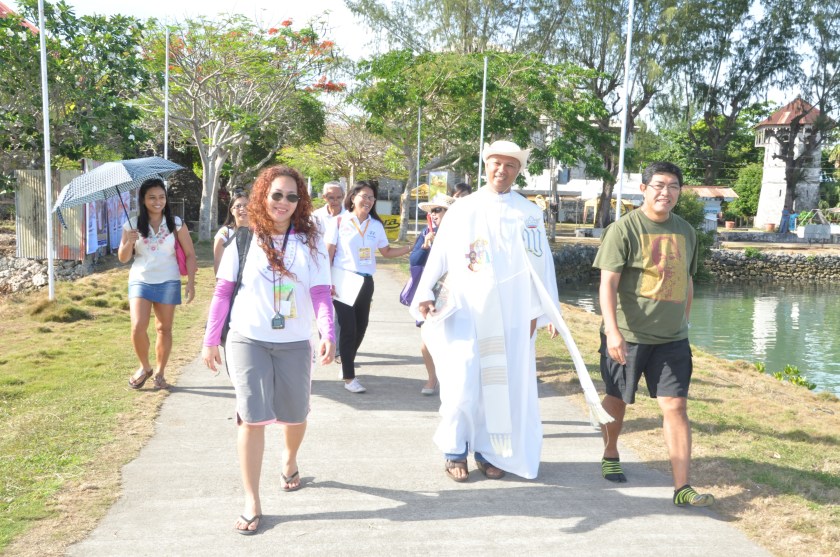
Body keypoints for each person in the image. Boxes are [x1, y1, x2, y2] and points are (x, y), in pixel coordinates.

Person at [411, 141, 572, 482]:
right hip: (466, 310)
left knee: (498, 384)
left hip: (511, 313)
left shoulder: (528, 213)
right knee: (462, 381)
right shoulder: (463, 208)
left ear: (518, 170)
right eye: (496, 163)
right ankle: (454, 451)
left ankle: (489, 451)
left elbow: (541, 265)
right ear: (486, 165)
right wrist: (425, 292)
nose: (502, 170)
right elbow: (440, 252)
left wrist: (546, 312)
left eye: (510, 165)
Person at [201, 165, 335, 535]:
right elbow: (223, 292)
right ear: (263, 196)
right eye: (277, 194)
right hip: (248, 340)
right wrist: (211, 338)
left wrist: (327, 331)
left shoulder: (310, 240)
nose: (284, 202)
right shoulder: (244, 240)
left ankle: (289, 459)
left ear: (301, 201)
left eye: (292, 196)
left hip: (293, 341)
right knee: (252, 416)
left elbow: (321, 293)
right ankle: (252, 499)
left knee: (295, 415)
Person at [592, 161, 714, 508]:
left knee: (675, 406)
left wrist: (684, 324)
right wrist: (612, 332)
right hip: (628, 335)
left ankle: (682, 488)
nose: (666, 192)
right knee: (617, 399)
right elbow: (608, 284)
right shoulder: (623, 229)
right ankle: (611, 450)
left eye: (673, 186)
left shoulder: (687, 231)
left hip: (672, 339)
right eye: (659, 185)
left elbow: (688, 280)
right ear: (643, 189)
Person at [326, 180, 412, 393]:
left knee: (361, 327)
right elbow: (328, 253)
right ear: (353, 197)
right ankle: (349, 377)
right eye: (364, 196)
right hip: (343, 280)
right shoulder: (338, 222)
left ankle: (347, 360)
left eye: (371, 197)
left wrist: (412, 247)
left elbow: (386, 252)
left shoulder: (375, 225)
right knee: (348, 328)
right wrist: (327, 282)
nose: (368, 201)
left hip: (366, 282)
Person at [118, 178, 196, 391]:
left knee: (164, 328)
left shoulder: (176, 223)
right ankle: (145, 367)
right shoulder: (131, 224)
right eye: (152, 197)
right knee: (137, 326)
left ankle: (160, 374)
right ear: (143, 200)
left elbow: (189, 255)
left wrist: (191, 282)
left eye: (161, 197)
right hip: (140, 279)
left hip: (169, 280)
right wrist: (129, 241)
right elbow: (123, 258)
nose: (157, 201)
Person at [409, 192, 455, 395]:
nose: (434, 214)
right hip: (429, 294)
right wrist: (426, 245)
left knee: (453, 339)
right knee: (426, 339)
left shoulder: (462, 234)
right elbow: (414, 260)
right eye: (432, 211)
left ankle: (452, 380)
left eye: (438, 210)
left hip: (454, 293)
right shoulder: (427, 232)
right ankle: (432, 378)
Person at [213, 189, 249, 274]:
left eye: (246, 205)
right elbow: (218, 262)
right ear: (232, 211)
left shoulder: (259, 233)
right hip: (231, 283)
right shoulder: (224, 234)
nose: (242, 209)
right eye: (238, 206)